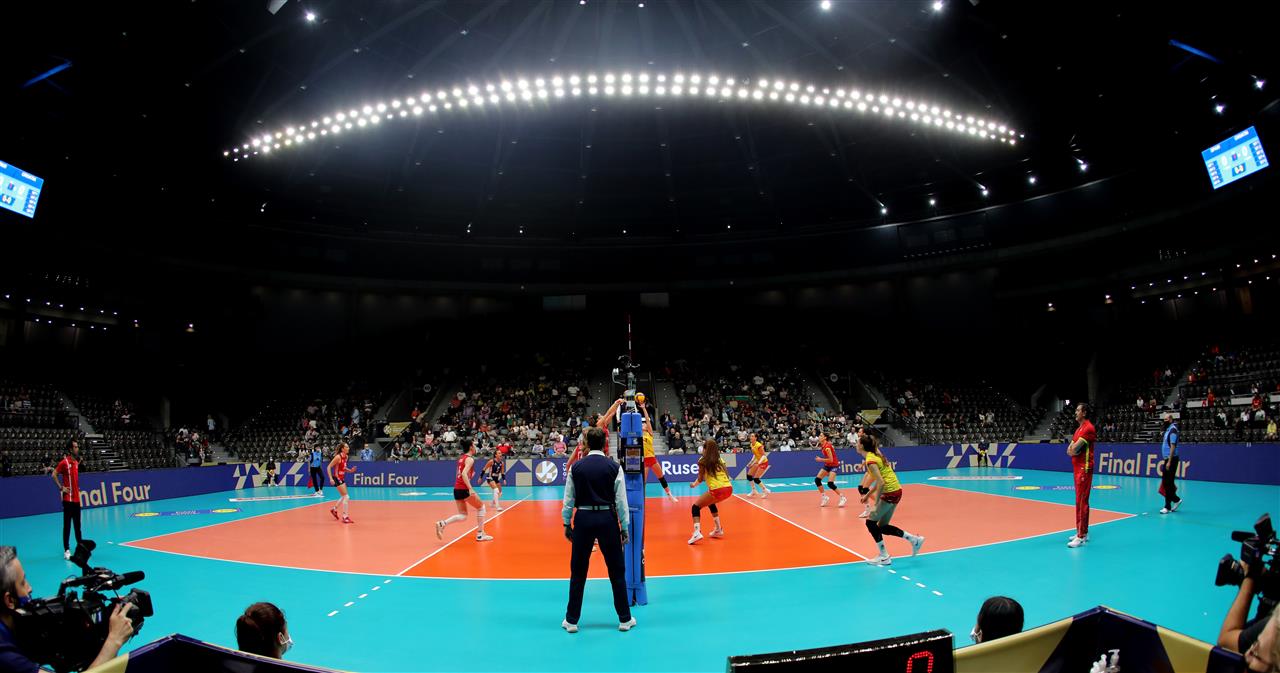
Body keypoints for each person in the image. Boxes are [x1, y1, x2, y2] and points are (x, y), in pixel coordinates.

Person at [1, 545, 137, 672]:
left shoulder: (13, 628)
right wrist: (114, 640)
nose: (30, 588)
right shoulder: (5, 656)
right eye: (23, 582)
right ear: (9, 600)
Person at [560, 427, 634, 634]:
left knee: (578, 570)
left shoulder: (576, 467)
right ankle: (625, 619)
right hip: (607, 519)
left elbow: (568, 499)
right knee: (616, 570)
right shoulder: (614, 467)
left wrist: (566, 523)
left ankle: (571, 620)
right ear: (604, 444)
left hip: (583, 519)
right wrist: (624, 527)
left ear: (586, 443)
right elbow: (621, 501)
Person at [857, 435, 925, 566]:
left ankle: (884, 556)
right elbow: (881, 480)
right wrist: (868, 495)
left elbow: (881, 482)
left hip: (890, 492)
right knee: (882, 527)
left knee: (870, 523)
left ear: (861, 446)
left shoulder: (870, 460)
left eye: (857, 442)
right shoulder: (874, 455)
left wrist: (875, 504)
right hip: (896, 490)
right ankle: (914, 540)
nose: (856, 444)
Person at [1219, 558, 1280, 671]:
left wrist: (1250, 577)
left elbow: (1225, 643)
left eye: (1256, 655)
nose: (1247, 655)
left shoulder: (1276, 623)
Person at [435, 438, 493, 542]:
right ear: (471, 447)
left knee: (463, 515)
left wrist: (470, 475)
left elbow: (460, 474)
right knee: (481, 508)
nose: (475, 447)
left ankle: (442, 523)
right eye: (474, 445)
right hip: (464, 489)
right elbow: (463, 474)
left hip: (457, 489)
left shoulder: (461, 458)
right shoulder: (470, 459)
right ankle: (480, 535)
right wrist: (470, 489)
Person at [687, 439, 732, 545]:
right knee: (711, 503)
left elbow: (700, 479)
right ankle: (718, 529)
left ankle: (697, 532)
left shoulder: (702, 460)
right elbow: (727, 475)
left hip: (717, 489)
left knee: (695, 507)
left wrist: (693, 485)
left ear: (705, 449)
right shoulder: (720, 459)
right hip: (729, 489)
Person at [1065, 403, 1096, 549]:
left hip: (1084, 469)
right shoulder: (1078, 429)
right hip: (1077, 469)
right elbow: (1069, 450)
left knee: (1082, 501)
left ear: (1084, 413)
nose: (1075, 412)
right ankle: (1082, 531)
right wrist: (1073, 450)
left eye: (1078, 410)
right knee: (1079, 501)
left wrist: (1074, 450)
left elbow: (1075, 448)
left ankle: (1081, 536)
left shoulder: (1088, 428)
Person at [638, 399, 678, 503]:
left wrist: (644, 409)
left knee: (661, 477)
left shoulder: (649, 433)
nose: (644, 424)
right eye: (642, 424)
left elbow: (647, 420)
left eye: (644, 424)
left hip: (652, 458)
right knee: (643, 482)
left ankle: (670, 495)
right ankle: (641, 498)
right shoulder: (638, 434)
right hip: (644, 460)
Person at [52, 440, 83, 560]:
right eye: (75, 447)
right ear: (70, 449)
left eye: (77, 446)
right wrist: (61, 487)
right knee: (67, 526)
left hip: (76, 500)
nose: (77, 448)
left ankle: (80, 548)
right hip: (68, 500)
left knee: (78, 527)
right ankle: (66, 550)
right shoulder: (64, 462)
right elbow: (54, 474)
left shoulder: (76, 462)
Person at [327, 442, 358, 524]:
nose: (348, 448)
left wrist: (350, 470)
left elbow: (344, 468)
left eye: (348, 447)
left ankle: (334, 509)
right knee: (346, 497)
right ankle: (345, 517)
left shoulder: (346, 457)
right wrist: (331, 479)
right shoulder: (338, 457)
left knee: (344, 496)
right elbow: (329, 467)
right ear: (342, 449)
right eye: (346, 447)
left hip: (341, 478)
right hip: (337, 478)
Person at [1158, 413, 1183, 514]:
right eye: (1164, 419)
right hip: (1167, 459)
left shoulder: (1173, 430)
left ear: (1171, 419)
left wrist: (1169, 461)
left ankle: (1167, 507)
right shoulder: (1168, 430)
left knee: (1167, 483)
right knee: (1167, 482)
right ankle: (1176, 499)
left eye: (1166, 419)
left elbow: (1173, 446)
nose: (1165, 421)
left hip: (1171, 460)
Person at [813, 432, 845, 507]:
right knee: (817, 480)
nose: (819, 437)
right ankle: (824, 497)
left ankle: (842, 497)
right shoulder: (823, 445)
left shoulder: (827, 447)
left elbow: (831, 460)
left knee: (830, 483)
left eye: (821, 435)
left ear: (825, 438)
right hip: (827, 465)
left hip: (834, 465)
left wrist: (820, 459)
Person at [745, 432, 771, 498]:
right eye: (750, 436)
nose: (750, 437)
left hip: (763, 462)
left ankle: (765, 490)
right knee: (749, 476)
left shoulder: (759, 445)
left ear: (755, 438)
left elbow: (764, 456)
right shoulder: (751, 445)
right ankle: (754, 490)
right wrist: (751, 462)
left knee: (756, 479)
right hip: (758, 461)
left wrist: (759, 463)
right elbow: (755, 454)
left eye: (752, 436)